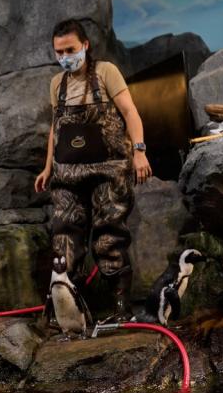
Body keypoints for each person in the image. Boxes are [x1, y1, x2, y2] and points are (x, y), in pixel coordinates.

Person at [34, 18, 153, 322]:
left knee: (108, 235)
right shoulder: (56, 84)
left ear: (85, 45)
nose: (64, 57)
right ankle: (66, 308)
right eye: (58, 52)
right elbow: (55, 129)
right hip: (67, 174)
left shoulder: (105, 72)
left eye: (70, 49)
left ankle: (120, 306)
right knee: (64, 237)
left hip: (108, 169)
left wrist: (139, 152)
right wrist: (48, 168)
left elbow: (130, 112)